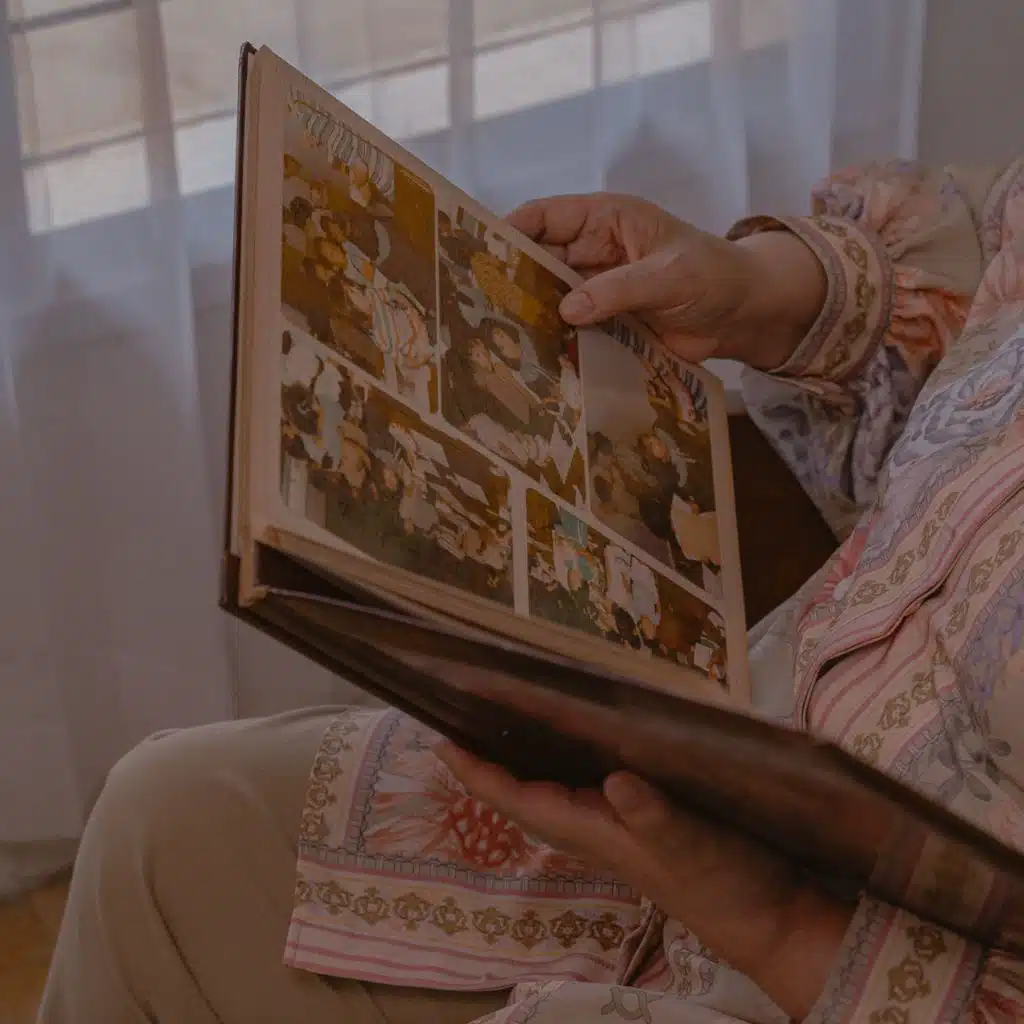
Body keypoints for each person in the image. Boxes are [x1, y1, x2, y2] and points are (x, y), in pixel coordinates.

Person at [39, 159, 1024, 1023]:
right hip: (738, 740)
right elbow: (991, 248)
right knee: (165, 825)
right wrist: (753, 290)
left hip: (852, 964)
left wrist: (771, 920)